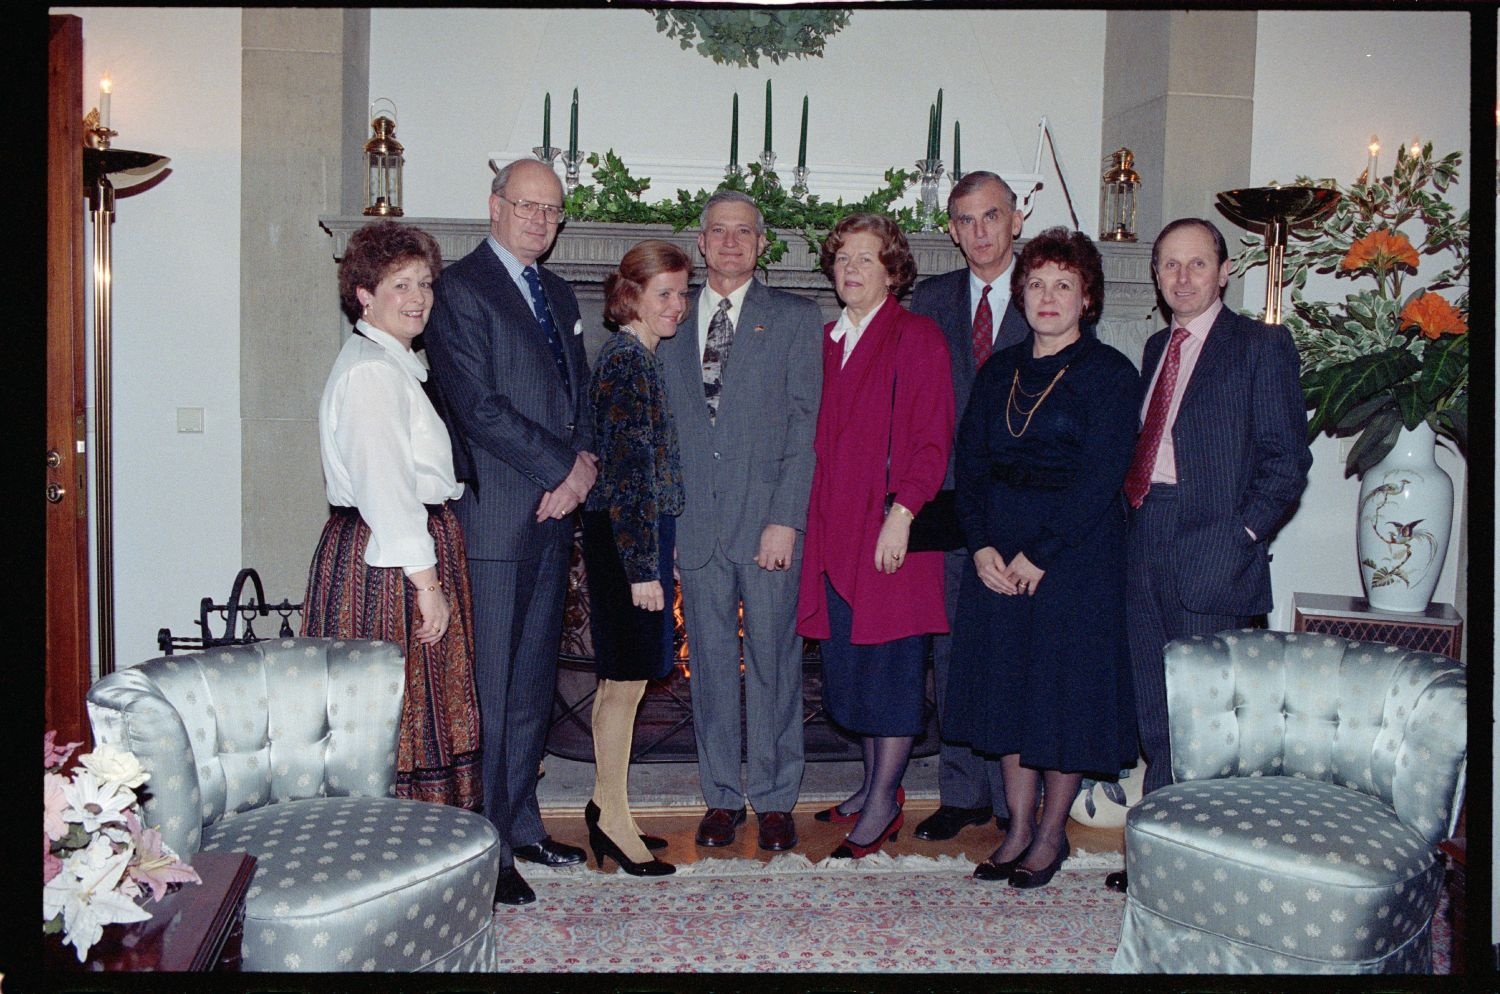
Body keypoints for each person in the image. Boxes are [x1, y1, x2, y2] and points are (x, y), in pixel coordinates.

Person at [1103, 217, 1312, 893]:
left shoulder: (1261, 345)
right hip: (1147, 536)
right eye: (1168, 265)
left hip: (1215, 549)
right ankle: (1159, 855)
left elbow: (1287, 461)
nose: (1182, 277)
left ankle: (1205, 866)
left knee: (1207, 720)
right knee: (1155, 712)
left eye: (1197, 264)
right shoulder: (1157, 346)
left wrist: (1243, 536)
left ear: (1224, 272)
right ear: (1157, 277)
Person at [423, 159, 597, 907]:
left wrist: (581, 466)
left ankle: (522, 823)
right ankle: (486, 850)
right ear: (494, 207)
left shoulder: (557, 291)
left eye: (552, 211)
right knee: (492, 692)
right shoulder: (459, 291)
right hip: (494, 520)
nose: (539, 220)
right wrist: (565, 468)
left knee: (531, 685)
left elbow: (577, 392)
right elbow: (478, 406)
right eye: (526, 206)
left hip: (554, 516)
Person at [945, 227, 1139, 889]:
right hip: (998, 551)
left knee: (1060, 698)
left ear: (1087, 298)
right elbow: (967, 467)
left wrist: (1041, 554)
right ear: (1021, 295)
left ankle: (1051, 835)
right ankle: (1017, 828)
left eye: (1064, 284)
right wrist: (983, 546)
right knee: (1008, 692)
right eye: (1036, 284)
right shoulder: (999, 370)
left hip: (1074, 557)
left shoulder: (1111, 374)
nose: (1048, 296)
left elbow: (1102, 476)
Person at [657, 190, 822, 853]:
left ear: (762, 243)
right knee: (714, 669)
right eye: (718, 231)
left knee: (775, 663)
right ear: (700, 242)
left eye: (743, 232)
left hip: (767, 528)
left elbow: (806, 427)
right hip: (696, 527)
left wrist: (786, 519)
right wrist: (665, 528)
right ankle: (723, 796)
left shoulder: (793, 318)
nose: (730, 242)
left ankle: (777, 798)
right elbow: (660, 433)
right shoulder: (667, 319)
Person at [301, 219, 482, 812]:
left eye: (425, 284)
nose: (417, 298)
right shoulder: (372, 373)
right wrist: (427, 585)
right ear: (364, 294)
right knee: (399, 714)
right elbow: (386, 489)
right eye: (400, 284)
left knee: (413, 709)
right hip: (389, 563)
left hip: (404, 551)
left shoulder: (395, 364)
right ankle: (394, 852)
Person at [797, 213, 955, 860]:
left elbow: (932, 437)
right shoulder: (829, 341)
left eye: (866, 258)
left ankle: (885, 801)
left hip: (892, 535)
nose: (851, 269)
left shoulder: (917, 338)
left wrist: (904, 511)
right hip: (836, 533)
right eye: (842, 259)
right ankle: (871, 784)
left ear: (892, 270)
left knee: (890, 672)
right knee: (855, 668)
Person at [908, 170, 1029, 844]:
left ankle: (1017, 797)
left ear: (1015, 220)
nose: (979, 232)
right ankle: (961, 790)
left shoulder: (1048, 291)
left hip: (1018, 505)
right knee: (950, 648)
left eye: (991, 217)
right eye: (965, 220)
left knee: (1010, 652)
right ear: (952, 230)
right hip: (947, 499)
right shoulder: (929, 298)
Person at [578, 240, 693, 877]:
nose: (676, 306)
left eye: (681, 293)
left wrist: (656, 553)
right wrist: (644, 567)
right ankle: (615, 822)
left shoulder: (636, 357)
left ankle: (605, 808)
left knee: (618, 684)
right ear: (632, 298)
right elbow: (627, 475)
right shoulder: (627, 363)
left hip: (632, 536)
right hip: (626, 540)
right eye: (663, 294)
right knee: (624, 687)